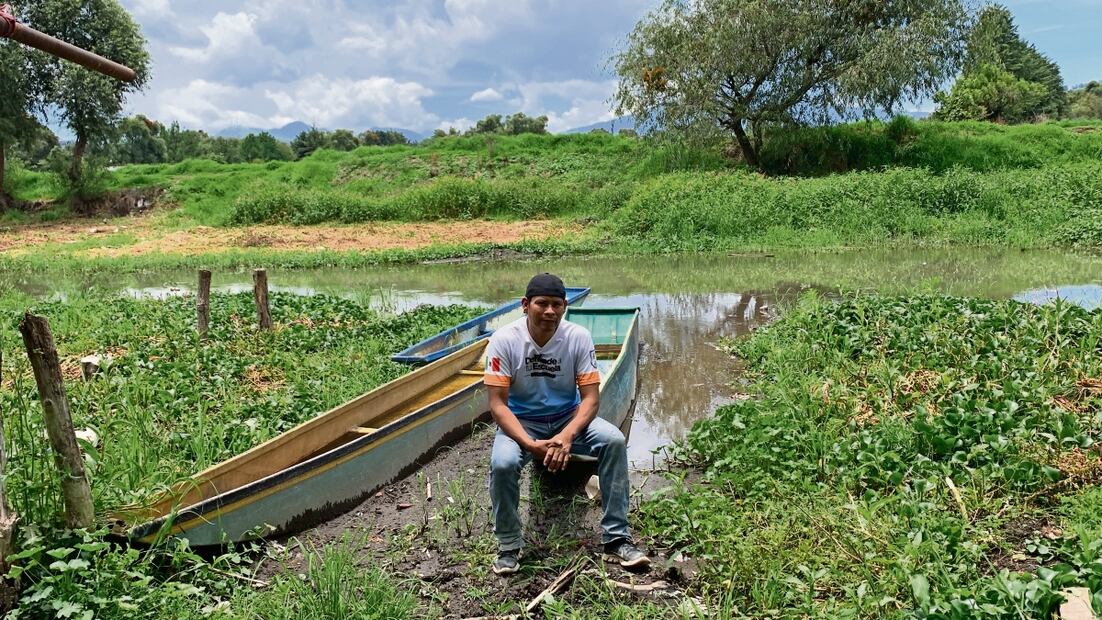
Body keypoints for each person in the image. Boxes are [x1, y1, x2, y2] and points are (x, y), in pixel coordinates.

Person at [483, 273, 649, 575]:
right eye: (542, 304)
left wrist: (567, 436)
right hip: (522, 421)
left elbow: (590, 400)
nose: (549, 311)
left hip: (568, 418)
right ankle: (508, 545)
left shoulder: (577, 337)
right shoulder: (504, 340)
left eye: (556, 305)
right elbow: (497, 405)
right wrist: (530, 444)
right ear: (525, 305)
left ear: (564, 306)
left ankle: (617, 537)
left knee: (612, 440)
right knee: (504, 463)